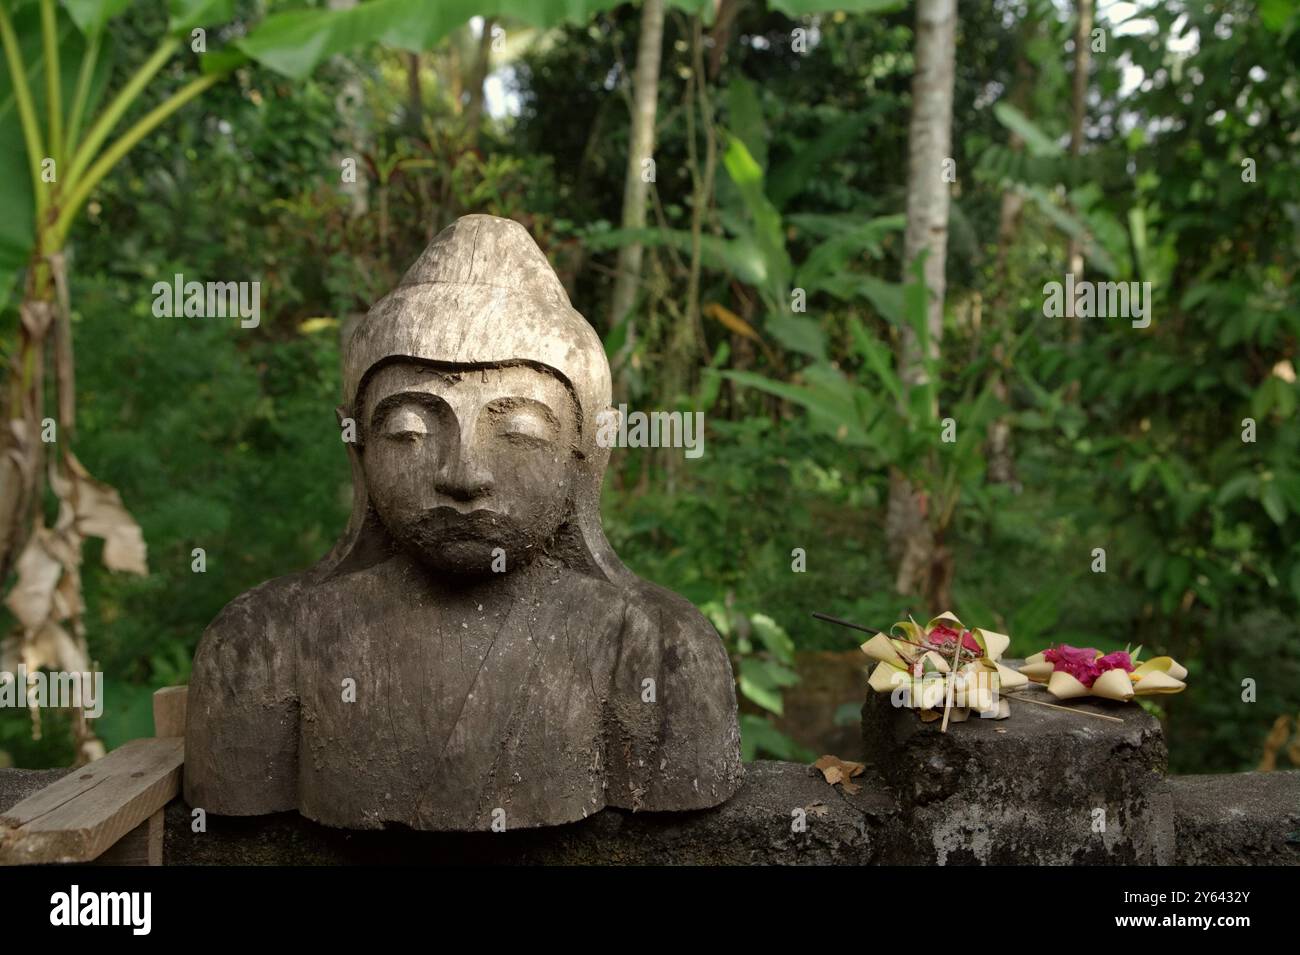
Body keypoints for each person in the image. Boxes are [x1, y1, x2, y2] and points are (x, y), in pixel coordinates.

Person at [184, 215, 743, 831]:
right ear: (358, 444)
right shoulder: (260, 644)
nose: (464, 473)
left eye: (519, 432)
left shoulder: (659, 648)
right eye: (409, 431)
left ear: (588, 449)